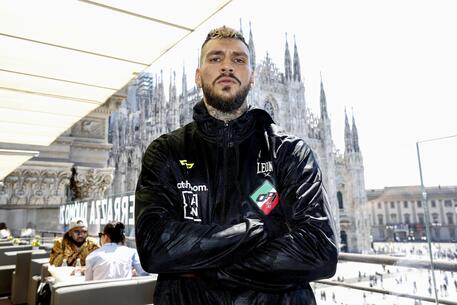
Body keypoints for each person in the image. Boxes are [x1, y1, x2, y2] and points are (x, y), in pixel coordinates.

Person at [135, 26, 337, 305]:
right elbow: (154, 249)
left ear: (252, 77)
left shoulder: (289, 152)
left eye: (239, 60)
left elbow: (320, 252)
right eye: (215, 58)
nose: (227, 66)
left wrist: (200, 263)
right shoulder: (166, 151)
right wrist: (260, 229)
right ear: (198, 75)